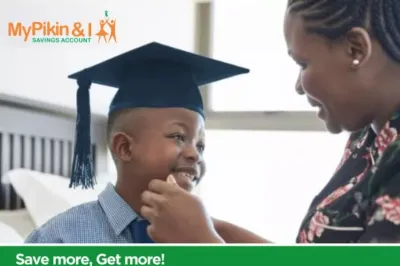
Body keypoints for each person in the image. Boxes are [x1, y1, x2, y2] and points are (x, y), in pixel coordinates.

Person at [139, 0, 400, 243]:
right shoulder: (368, 138)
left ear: (356, 49)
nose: (298, 86)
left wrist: (202, 243)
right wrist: (210, 228)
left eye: (303, 63)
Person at [24, 42, 249, 243]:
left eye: (200, 145)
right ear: (125, 147)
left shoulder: (204, 236)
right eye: (179, 137)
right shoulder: (61, 239)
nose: (195, 154)